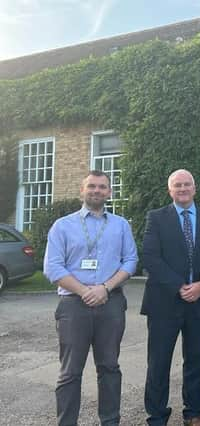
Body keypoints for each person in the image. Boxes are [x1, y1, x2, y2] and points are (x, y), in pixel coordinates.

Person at [44, 170, 138, 426]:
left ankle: (110, 421)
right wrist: (85, 291)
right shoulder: (62, 226)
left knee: (109, 367)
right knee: (70, 372)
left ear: (109, 192)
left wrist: (105, 288)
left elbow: (130, 261)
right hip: (73, 305)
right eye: (92, 186)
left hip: (111, 303)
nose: (97, 191)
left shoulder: (121, 225)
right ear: (82, 190)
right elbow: (53, 267)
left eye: (102, 187)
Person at [141, 169, 200, 426]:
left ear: (194, 188)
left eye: (187, 184)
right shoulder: (156, 218)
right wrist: (180, 286)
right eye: (177, 185)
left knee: (196, 360)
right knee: (159, 362)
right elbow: (150, 257)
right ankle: (156, 416)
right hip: (164, 302)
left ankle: (194, 412)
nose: (182, 189)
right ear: (170, 190)